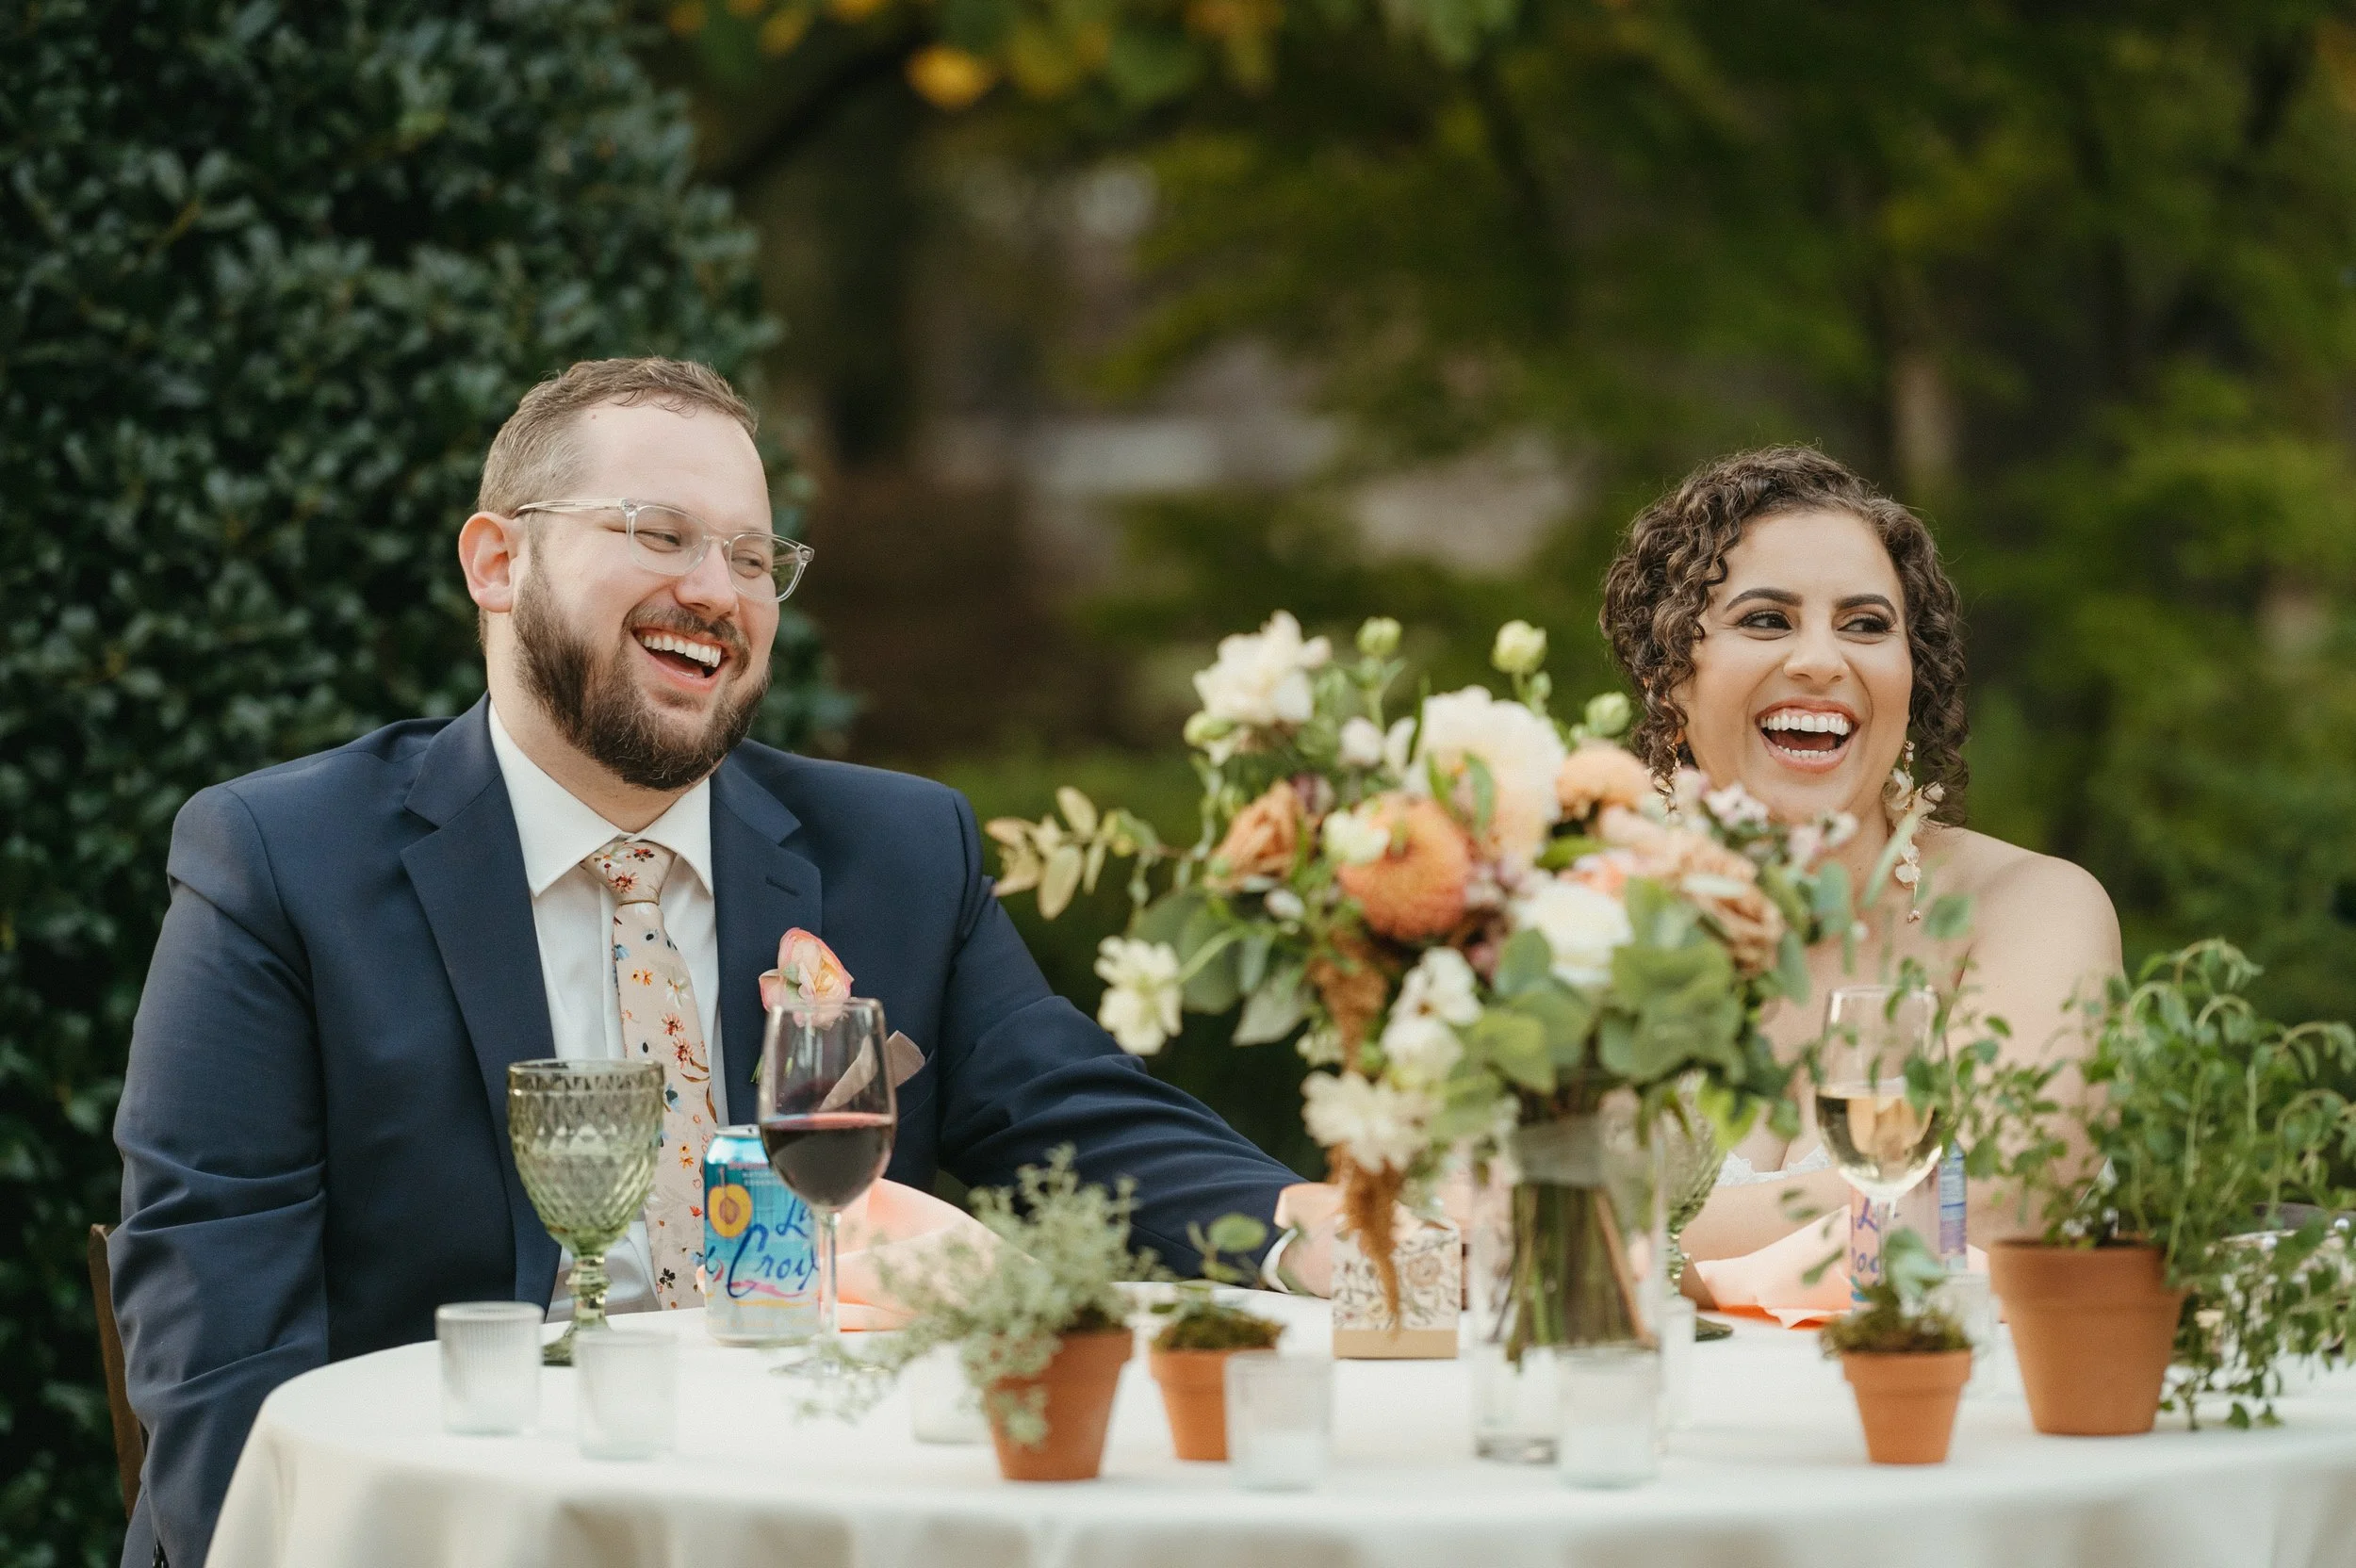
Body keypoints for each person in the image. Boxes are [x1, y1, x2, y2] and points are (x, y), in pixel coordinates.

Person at [108, 358, 1332, 1568]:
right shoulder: (282, 862)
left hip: (825, 1512)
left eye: (754, 560)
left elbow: (1086, 1118)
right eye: (660, 533)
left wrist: (1305, 1228)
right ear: (496, 561)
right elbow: (220, 1335)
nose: (716, 591)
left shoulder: (898, 852)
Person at [1596, 447, 2121, 1286]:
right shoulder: (1591, 918)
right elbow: (1463, 1201)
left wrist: (1615, 1242)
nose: (1820, 660)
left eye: (1866, 625)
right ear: (1669, 677)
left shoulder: (2032, 907)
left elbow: (2005, 1197)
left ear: (1912, 677)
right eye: (1766, 619)